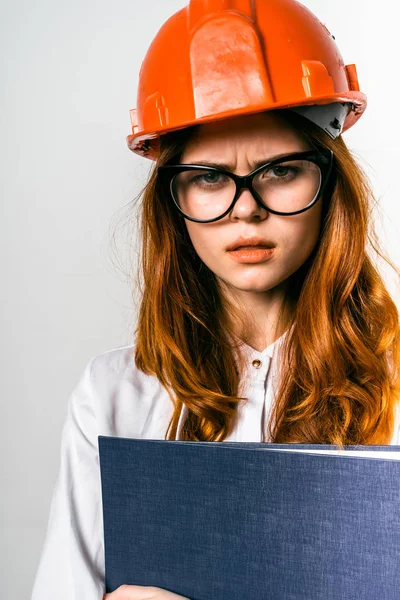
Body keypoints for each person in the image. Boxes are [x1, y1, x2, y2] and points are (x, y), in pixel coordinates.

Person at [31, 0, 400, 599]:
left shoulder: (396, 380)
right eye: (208, 178)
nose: (246, 206)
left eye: (282, 170)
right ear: (173, 204)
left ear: (331, 184)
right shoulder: (114, 395)